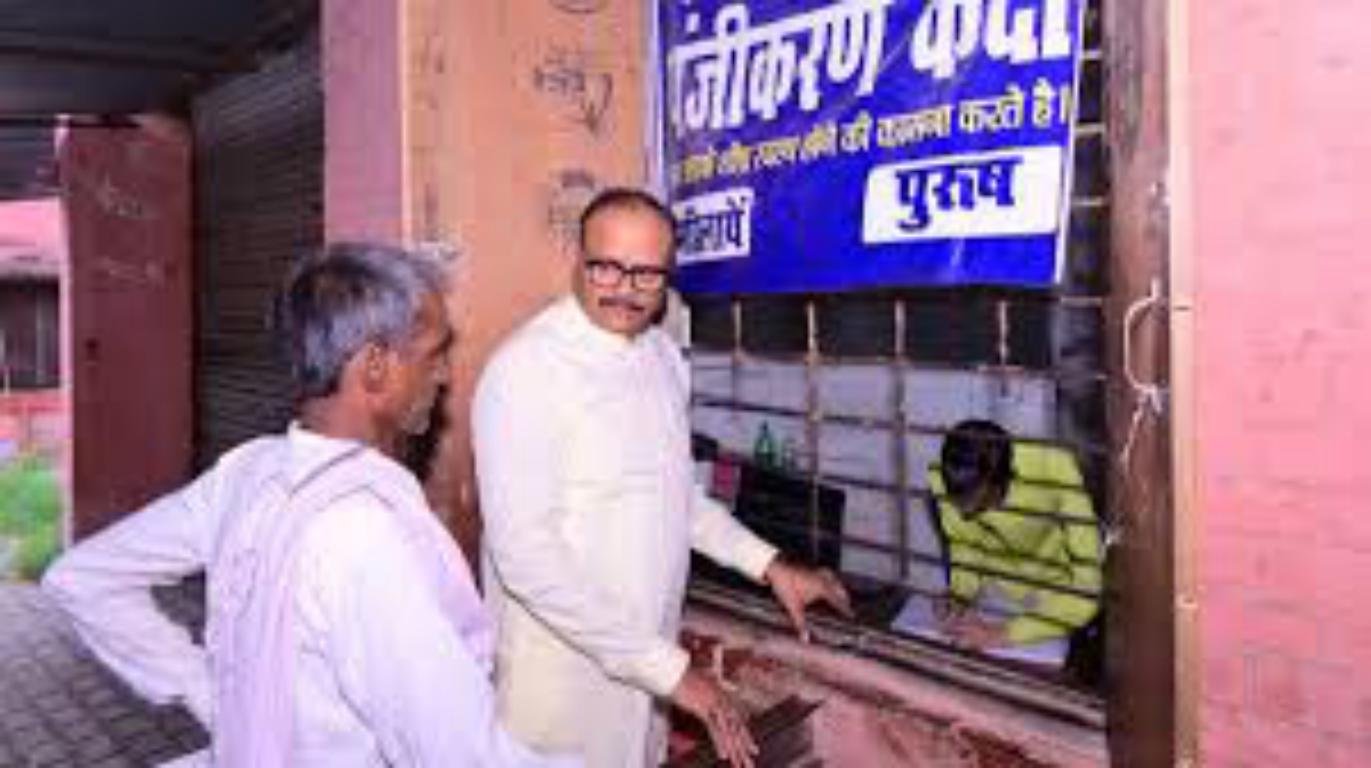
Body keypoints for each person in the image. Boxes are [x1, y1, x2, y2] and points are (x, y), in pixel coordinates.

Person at [42, 243, 575, 767]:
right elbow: (456, 751)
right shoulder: (362, 532)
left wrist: (218, 698)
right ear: (375, 366)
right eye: (434, 354)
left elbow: (83, 577)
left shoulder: (247, 472)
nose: (442, 376)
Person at [472, 188, 853, 768]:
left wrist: (769, 565)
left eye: (647, 275)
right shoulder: (525, 371)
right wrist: (673, 672)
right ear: (577, 259)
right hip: (557, 689)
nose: (625, 290)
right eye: (606, 267)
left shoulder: (662, 360)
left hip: (644, 678)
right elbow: (528, 559)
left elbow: (678, 499)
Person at [926, 419, 1102, 663]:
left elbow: (1088, 592)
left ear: (1008, 479)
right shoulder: (944, 477)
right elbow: (966, 544)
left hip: (1055, 596)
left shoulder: (1053, 466)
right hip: (996, 593)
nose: (969, 514)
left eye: (983, 505)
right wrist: (960, 594)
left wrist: (1003, 635)